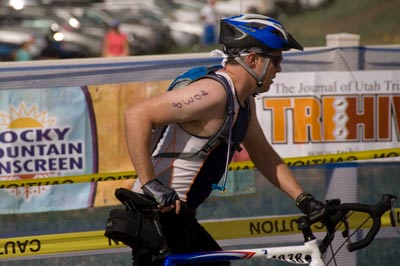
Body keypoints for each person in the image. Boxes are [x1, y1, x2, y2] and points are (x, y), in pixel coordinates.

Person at [124, 14, 325, 266]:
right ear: (253, 59)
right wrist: (150, 183)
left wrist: (303, 199)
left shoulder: (242, 101)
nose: (280, 69)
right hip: (157, 215)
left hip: (177, 217)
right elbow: (136, 115)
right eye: (276, 60)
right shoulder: (213, 93)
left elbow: (263, 155)